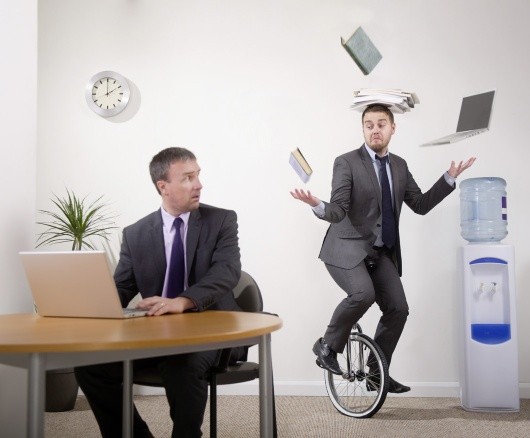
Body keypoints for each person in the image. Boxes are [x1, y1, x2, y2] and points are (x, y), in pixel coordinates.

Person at [291, 104, 475, 393]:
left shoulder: (399, 165)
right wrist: (317, 205)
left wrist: (449, 178)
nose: (374, 130)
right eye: (369, 125)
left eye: (380, 124)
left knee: (398, 308)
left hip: (380, 252)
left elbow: (420, 205)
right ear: (363, 129)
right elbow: (338, 210)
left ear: (392, 128)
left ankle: (376, 374)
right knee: (363, 294)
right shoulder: (347, 162)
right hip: (345, 249)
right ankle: (326, 346)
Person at [75, 147, 245, 438]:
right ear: (163, 186)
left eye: (197, 175)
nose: (199, 184)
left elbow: (227, 272)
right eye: (188, 178)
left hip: (212, 331)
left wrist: (183, 301)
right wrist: (92, 305)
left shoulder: (221, 221)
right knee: (91, 365)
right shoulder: (135, 233)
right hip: (157, 334)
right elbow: (123, 287)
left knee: (183, 363)